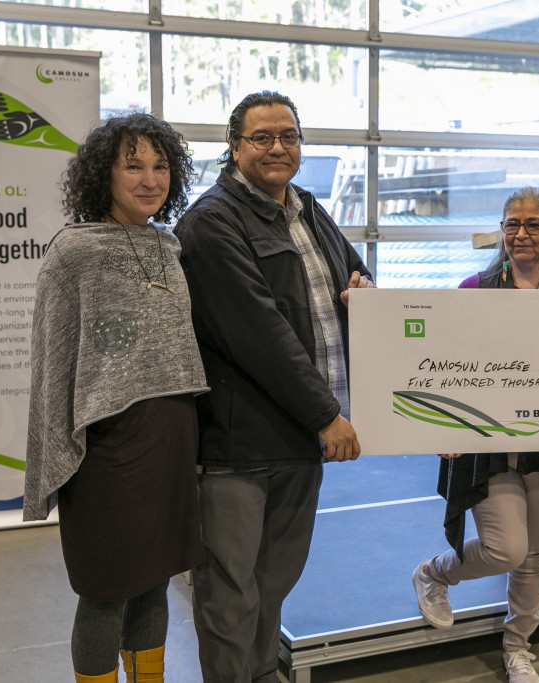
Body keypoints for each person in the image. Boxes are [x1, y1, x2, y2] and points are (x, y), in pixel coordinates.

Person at [174, 90, 373, 683]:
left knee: (274, 582)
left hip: (298, 439)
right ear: (234, 147)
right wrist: (325, 415)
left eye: (288, 136)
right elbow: (258, 331)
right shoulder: (211, 222)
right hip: (238, 445)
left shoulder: (308, 210)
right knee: (231, 591)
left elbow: (355, 276)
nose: (277, 147)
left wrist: (363, 289)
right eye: (262, 137)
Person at [23, 112, 209, 682]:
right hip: (106, 451)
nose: (150, 179)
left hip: (172, 437)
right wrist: (54, 448)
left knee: (155, 577)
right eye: (134, 166)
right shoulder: (72, 253)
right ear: (103, 175)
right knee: (105, 591)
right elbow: (52, 362)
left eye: (160, 166)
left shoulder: (169, 248)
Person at [411, 187, 539, 683]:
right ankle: (434, 572)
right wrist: (442, 426)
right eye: (512, 223)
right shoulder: (474, 289)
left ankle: (518, 647)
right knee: (505, 550)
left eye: (534, 224)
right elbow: (442, 367)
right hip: (486, 449)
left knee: (534, 556)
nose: (521, 233)